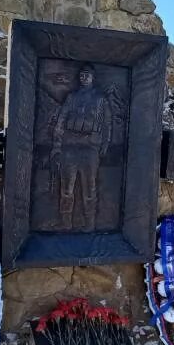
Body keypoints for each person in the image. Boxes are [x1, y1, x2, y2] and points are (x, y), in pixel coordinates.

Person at [50, 65, 111, 230]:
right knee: (66, 189)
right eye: (82, 75)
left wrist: (104, 144)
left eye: (87, 75)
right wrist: (57, 146)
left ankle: (90, 224)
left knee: (89, 188)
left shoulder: (100, 99)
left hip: (90, 149)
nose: (84, 78)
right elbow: (61, 121)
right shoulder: (71, 97)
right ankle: (66, 224)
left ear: (93, 78)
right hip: (69, 148)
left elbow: (106, 124)